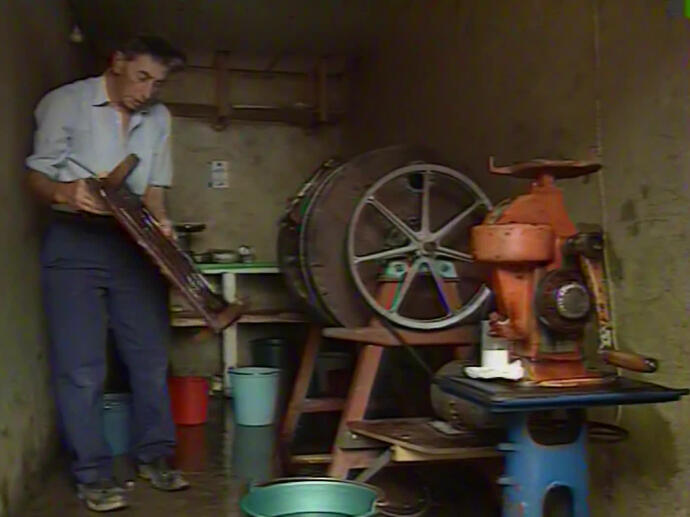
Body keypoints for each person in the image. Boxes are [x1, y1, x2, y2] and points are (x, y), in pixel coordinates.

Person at [26, 35, 189, 512]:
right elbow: (35, 174)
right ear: (117, 62)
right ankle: (93, 475)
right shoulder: (65, 103)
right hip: (75, 239)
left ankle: (155, 456)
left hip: (134, 243)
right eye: (142, 77)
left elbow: (155, 189)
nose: (148, 91)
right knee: (81, 369)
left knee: (151, 358)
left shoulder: (159, 118)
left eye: (158, 83)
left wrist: (162, 224)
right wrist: (65, 193)